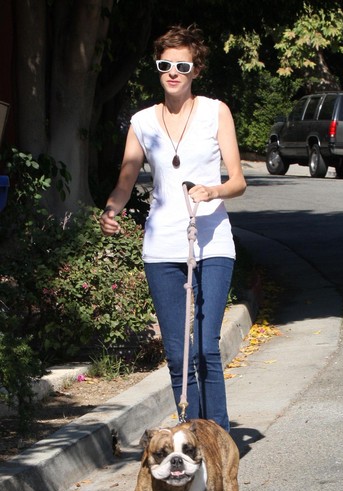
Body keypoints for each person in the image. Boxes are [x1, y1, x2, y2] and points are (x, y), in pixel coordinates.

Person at [100, 25, 246, 432]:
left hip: (212, 242)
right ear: (158, 68)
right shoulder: (142, 121)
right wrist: (112, 207)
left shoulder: (216, 112)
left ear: (195, 69)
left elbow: (238, 180)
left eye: (182, 65)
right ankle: (189, 436)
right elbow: (127, 179)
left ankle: (218, 439)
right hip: (162, 247)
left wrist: (212, 189)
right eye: (166, 65)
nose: (173, 72)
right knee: (180, 355)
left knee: (205, 348)